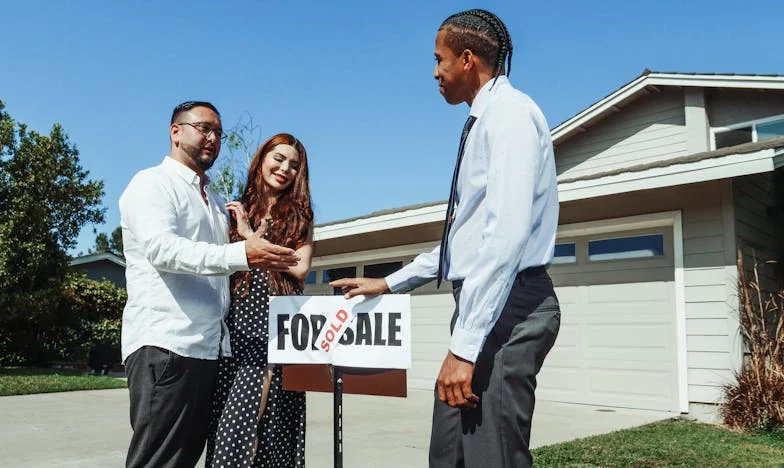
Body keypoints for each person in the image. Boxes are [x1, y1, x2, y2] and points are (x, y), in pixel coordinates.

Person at [330, 10, 560, 468]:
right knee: (450, 454)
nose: (435, 71)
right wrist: (390, 283)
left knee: (489, 456)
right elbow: (467, 239)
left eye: (440, 60)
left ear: (468, 59)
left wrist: (463, 348)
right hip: (487, 308)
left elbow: (504, 238)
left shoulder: (509, 115)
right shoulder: (485, 118)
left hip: (510, 309)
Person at [119, 101, 300, 468]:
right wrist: (242, 254)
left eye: (218, 132)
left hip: (208, 352)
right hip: (166, 346)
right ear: (176, 132)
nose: (213, 138)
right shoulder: (152, 183)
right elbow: (162, 249)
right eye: (203, 128)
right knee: (158, 459)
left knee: (185, 459)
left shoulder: (217, 203)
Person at [206, 133, 314, 468]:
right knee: (227, 422)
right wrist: (243, 233)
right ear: (262, 159)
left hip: (276, 325)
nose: (285, 169)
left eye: (294, 165)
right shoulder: (235, 208)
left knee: (264, 426)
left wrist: (250, 236)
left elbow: (301, 267)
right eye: (278, 159)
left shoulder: (300, 215)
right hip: (234, 325)